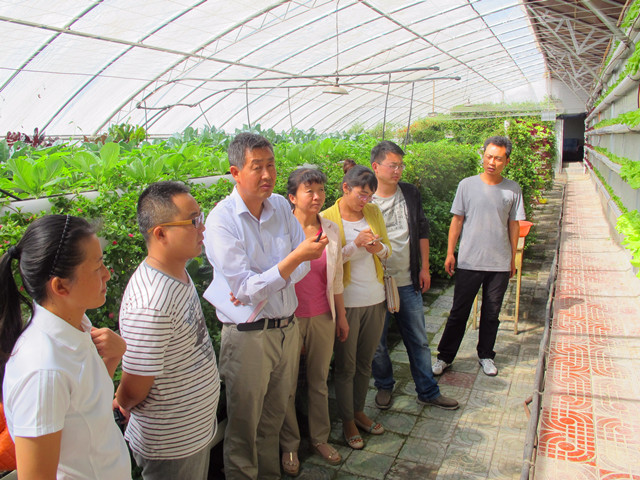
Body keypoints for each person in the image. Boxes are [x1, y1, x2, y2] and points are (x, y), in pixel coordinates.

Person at [203, 133, 327, 480]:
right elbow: (245, 289)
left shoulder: (281, 208)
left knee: (272, 420)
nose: (267, 174)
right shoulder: (222, 220)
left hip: (286, 329)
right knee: (244, 428)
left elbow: (300, 268)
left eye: (271, 165)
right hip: (248, 337)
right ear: (235, 172)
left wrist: (271, 277)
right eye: (256, 167)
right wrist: (288, 263)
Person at [0, 214, 131, 478]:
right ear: (60, 286)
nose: (107, 274)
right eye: (97, 267)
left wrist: (112, 359)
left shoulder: (76, 325)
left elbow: (82, 405)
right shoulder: (43, 373)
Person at [115, 181, 220, 479]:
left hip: (192, 431)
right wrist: (121, 402)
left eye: (200, 217)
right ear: (160, 233)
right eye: (193, 221)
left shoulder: (176, 270)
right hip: (172, 444)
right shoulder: (151, 304)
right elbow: (134, 388)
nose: (202, 228)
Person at [369, 141, 459, 411]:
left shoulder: (409, 192)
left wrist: (424, 267)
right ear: (376, 167)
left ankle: (428, 391)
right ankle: (384, 385)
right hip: (375, 285)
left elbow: (422, 229)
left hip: (407, 280)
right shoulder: (365, 197)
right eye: (392, 165)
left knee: (418, 340)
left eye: (401, 165)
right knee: (377, 344)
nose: (398, 170)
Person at [432, 136, 525, 378]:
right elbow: (457, 220)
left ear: (507, 161)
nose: (492, 162)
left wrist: (512, 259)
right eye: (489, 156)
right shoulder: (467, 185)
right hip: (469, 261)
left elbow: (514, 225)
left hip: (499, 263)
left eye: (498, 158)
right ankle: (444, 357)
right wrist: (450, 252)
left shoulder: (512, 189)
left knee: (491, 313)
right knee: (459, 312)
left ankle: (486, 355)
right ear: (483, 155)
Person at [279, 168, 348, 474]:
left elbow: (336, 277)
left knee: (319, 381)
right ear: (292, 197)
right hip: (288, 319)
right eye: (309, 191)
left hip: (322, 315)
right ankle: (290, 445)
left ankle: (320, 438)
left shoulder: (330, 229)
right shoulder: (281, 230)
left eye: (320, 190)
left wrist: (341, 316)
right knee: (287, 384)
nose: (317, 196)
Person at [321, 163, 391, 450]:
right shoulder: (327, 218)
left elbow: (387, 252)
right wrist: (356, 245)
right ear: (345, 188)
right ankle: (347, 420)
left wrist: (377, 248)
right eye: (361, 194)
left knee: (365, 363)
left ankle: (359, 411)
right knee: (346, 366)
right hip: (346, 303)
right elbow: (326, 264)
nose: (366, 201)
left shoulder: (373, 213)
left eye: (370, 195)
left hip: (375, 298)